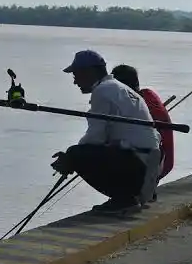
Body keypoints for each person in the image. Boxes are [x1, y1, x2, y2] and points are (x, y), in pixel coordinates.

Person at [51, 50, 161, 214]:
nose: (75, 82)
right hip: (150, 167)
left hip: (139, 168)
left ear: (89, 72)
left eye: (76, 75)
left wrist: (69, 159)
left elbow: (96, 136)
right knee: (80, 153)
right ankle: (129, 196)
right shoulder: (119, 88)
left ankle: (124, 199)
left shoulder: (102, 91)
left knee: (76, 153)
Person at [110, 64, 174, 201]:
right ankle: (144, 188)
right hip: (164, 162)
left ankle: (127, 196)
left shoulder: (131, 105)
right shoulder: (148, 97)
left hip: (155, 163)